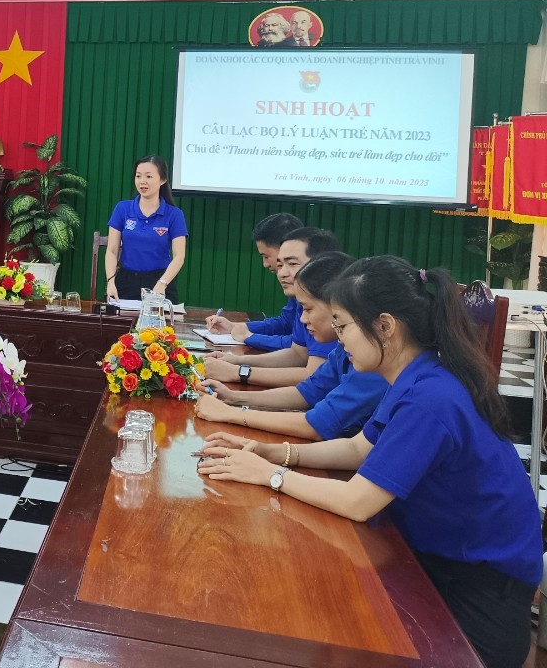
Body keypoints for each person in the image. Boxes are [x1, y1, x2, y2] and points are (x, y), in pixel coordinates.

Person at [198, 256, 541, 668]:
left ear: (385, 326)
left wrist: (270, 475)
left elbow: (358, 501)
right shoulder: (414, 374)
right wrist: (274, 452)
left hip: (476, 593)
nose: (338, 340)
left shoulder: (430, 398)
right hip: (436, 560)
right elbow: (360, 448)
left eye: (343, 326)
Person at [195, 252, 388, 440]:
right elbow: (307, 392)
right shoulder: (345, 349)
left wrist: (231, 413)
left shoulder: (373, 362)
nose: (303, 318)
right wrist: (233, 398)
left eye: (308, 309)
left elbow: (320, 424)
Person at [203, 228, 341, 388]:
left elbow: (312, 376)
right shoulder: (302, 300)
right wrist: (237, 360)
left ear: (321, 264)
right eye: (280, 265)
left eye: (292, 264)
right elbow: (297, 354)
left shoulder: (330, 307)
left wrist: (238, 372)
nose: (281, 273)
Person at [206, 212, 303, 351]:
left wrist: (250, 337)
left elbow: (300, 347)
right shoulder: (297, 283)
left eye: (266, 256)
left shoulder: (318, 288)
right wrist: (235, 327)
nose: (265, 264)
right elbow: (286, 323)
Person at [104, 155, 187, 303]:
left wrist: (162, 284)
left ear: (163, 180)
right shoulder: (122, 208)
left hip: (160, 281)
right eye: (138, 176)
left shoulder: (174, 214)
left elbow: (179, 256)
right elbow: (112, 250)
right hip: (126, 281)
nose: (142, 181)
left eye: (149, 176)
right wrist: (110, 281)